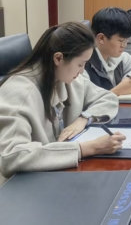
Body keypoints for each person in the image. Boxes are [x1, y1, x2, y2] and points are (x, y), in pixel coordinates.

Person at [0, 22, 124, 183]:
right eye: (80, 64)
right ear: (58, 58)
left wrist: (84, 118)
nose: (82, 71)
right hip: (21, 187)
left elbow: (108, 98)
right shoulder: (19, 94)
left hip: (53, 176)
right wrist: (88, 148)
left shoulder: (66, 78)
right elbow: (12, 156)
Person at [83, 7, 131, 96]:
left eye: (126, 40)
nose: (124, 45)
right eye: (121, 41)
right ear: (101, 38)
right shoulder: (84, 66)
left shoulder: (116, 56)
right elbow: (87, 103)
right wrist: (117, 91)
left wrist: (128, 80)